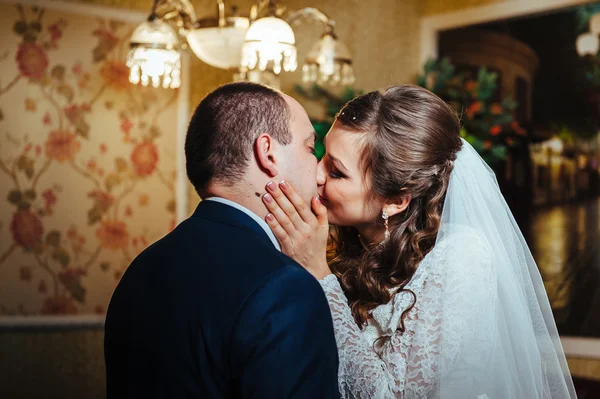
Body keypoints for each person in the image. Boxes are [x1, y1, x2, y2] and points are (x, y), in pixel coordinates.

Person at [261, 85, 577, 398]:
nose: (317, 173)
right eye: (323, 156)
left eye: (337, 172)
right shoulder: (341, 240)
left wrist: (318, 274)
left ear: (396, 201)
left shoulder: (462, 257)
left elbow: (393, 396)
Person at [104, 82, 340, 398]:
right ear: (268, 153)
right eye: (311, 148)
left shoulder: (142, 267)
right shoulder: (285, 288)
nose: (319, 170)